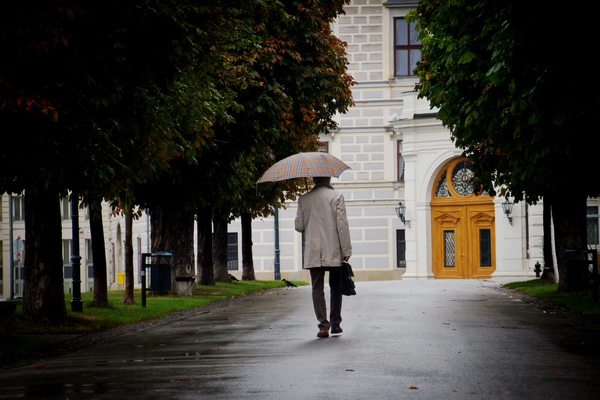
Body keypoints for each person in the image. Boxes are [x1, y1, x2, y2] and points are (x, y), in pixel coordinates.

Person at [295, 176, 352, 338]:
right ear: (328, 179)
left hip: (313, 250)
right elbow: (342, 226)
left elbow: (299, 226)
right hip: (332, 248)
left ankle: (323, 326)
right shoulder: (337, 197)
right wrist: (346, 249)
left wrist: (305, 213)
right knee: (335, 286)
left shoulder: (304, 199)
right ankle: (336, 324)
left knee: (317, 288)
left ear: (314, 180)